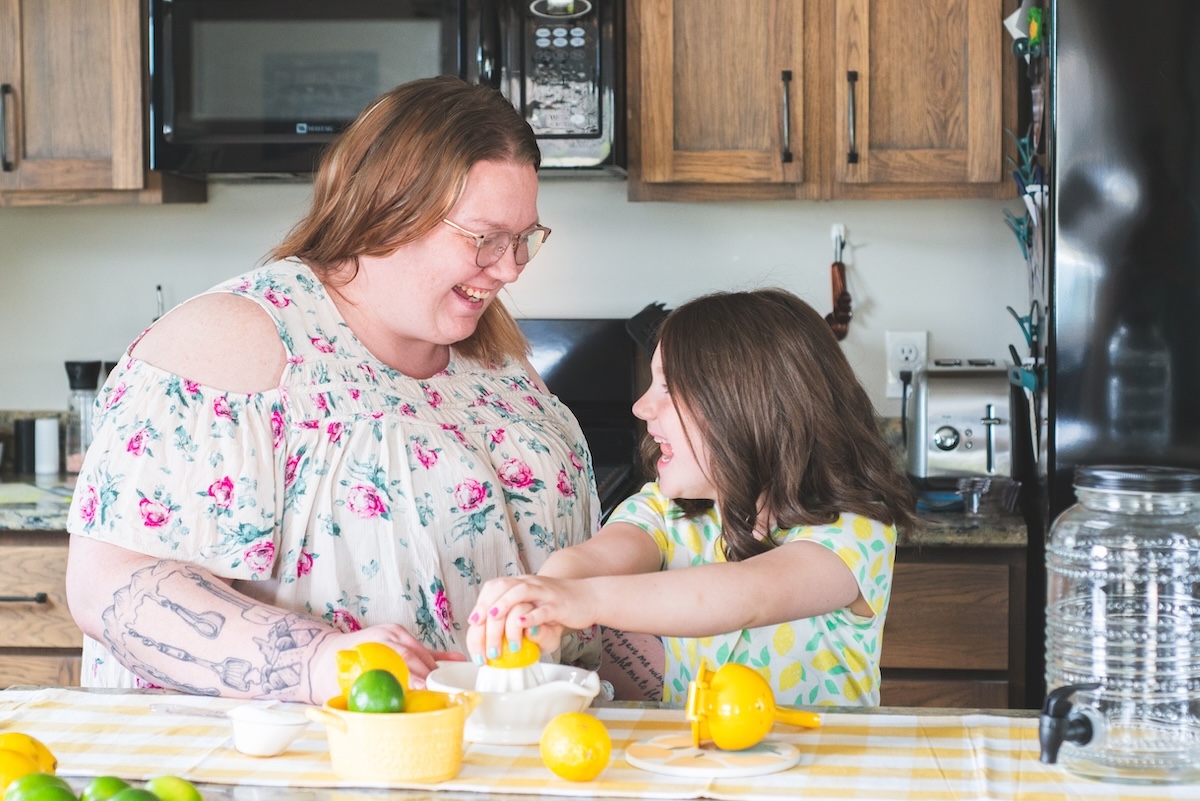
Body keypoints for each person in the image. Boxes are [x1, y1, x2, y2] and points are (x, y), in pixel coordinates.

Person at [64, 76, 602, 703]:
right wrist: (323, 664)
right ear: (387, 210)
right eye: (485, 239)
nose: (509, 269)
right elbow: (112, 587)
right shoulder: (234, 340)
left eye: (523, 241)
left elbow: (575, 600)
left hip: (490, 760)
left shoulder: (497, 361)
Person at [467, 288, 917, 706]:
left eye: (667, 386)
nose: (641, 407)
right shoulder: (668, 512)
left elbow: (746, 595)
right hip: (698, 770)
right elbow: (595, 559)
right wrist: (543, 596)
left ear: (747, 406)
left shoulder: (853, 531)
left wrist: (580, 602)